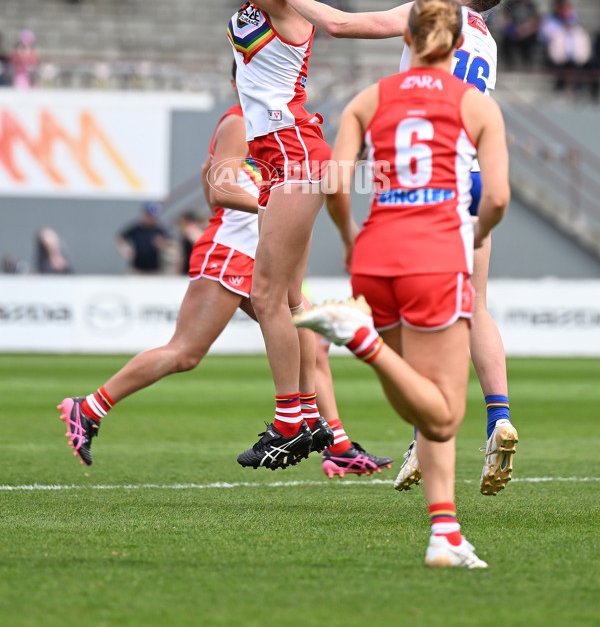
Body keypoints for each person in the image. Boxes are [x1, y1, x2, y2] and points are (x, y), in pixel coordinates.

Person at [194, 0, 421, 471]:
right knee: (285, 297)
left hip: (295, 153)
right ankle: (312, 427)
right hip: (285, 153)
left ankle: (295, 424)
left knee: (268, 294)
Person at [266, 0, 526, 494]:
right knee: (474, 307)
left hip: (417, 186)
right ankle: (498, 416)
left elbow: (337, 24)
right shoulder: (488, 42)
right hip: (471, 177)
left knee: (411, 319)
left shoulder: (431, 18)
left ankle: (424, 438)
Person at [58, 69, 390, 475]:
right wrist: (275, 208)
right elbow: (218, 189)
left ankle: (334, 442)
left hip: (262, 253)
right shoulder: (239, 120)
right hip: (230, 251)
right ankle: (88, 408)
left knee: (308, 334)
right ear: (242, 82)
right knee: (185, 353)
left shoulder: (285, 127)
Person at [295, 0, 511, 568]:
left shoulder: (370, 98)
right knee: (443, 413)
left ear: (408, 37)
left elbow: (336, 183)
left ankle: (446, 532)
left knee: (419, 408)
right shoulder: (476, 103)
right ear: (456, 41)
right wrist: (479, 230)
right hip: (436, 251)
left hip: (375, 250)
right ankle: (358, 338)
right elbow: (497, 198)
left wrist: (346, 240)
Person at [115, 201, 173, 274]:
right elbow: (119, 238)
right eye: (149, 215)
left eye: (153, 216)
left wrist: (163, 244)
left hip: (154, 271)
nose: (151, 218)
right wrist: (125, 248)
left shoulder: (159, 230)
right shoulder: (136, 229)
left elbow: (172, 243)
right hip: (137, 270)